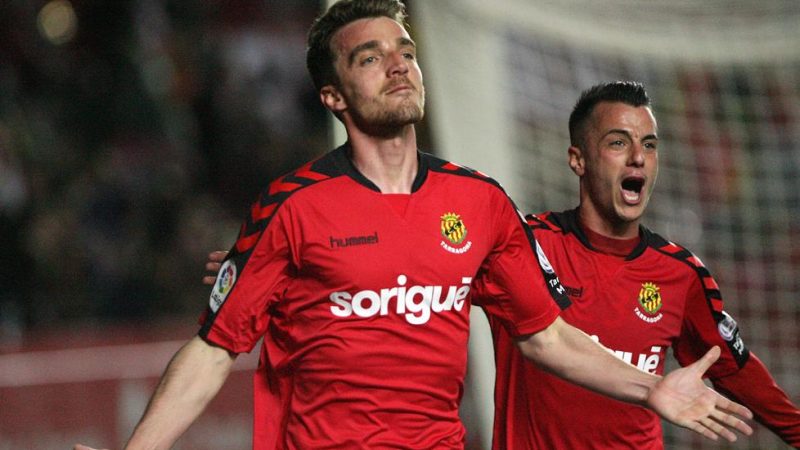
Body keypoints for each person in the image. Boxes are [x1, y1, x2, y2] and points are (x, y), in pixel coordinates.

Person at [76, 3, 753, 449]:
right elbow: (213, 349)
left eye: (404, 49)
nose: (399, 62)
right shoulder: (293, 207)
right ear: (334, 97)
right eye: (369, 57)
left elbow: (546, 337)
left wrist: (652, 386)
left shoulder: (480, 201)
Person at [488, 81, 800, 449]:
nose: (638, 156)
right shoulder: (521, 245)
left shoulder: (680, 274)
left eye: (649, 145)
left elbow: (734, 368)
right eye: (618, 142)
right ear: (578, 159)